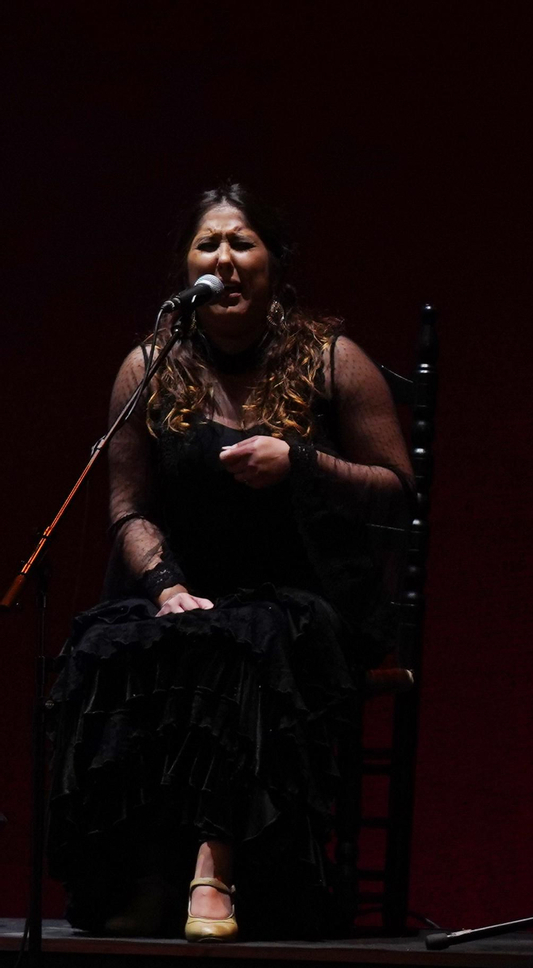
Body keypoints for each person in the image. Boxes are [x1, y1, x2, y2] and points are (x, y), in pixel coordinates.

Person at [47, 185, 412, 942]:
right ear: (188, 267)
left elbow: (395, 489)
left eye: (243, 243)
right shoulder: (149, 366)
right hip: (189, 590)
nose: (225, 260)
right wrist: (167, 586)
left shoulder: (331, 359)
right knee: (103, 644)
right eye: (208, 244)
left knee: (246, 642)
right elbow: (129, 507)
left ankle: (214, 870)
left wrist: (300, 462)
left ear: (276, 263)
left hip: (306, 596)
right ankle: (145, 872)